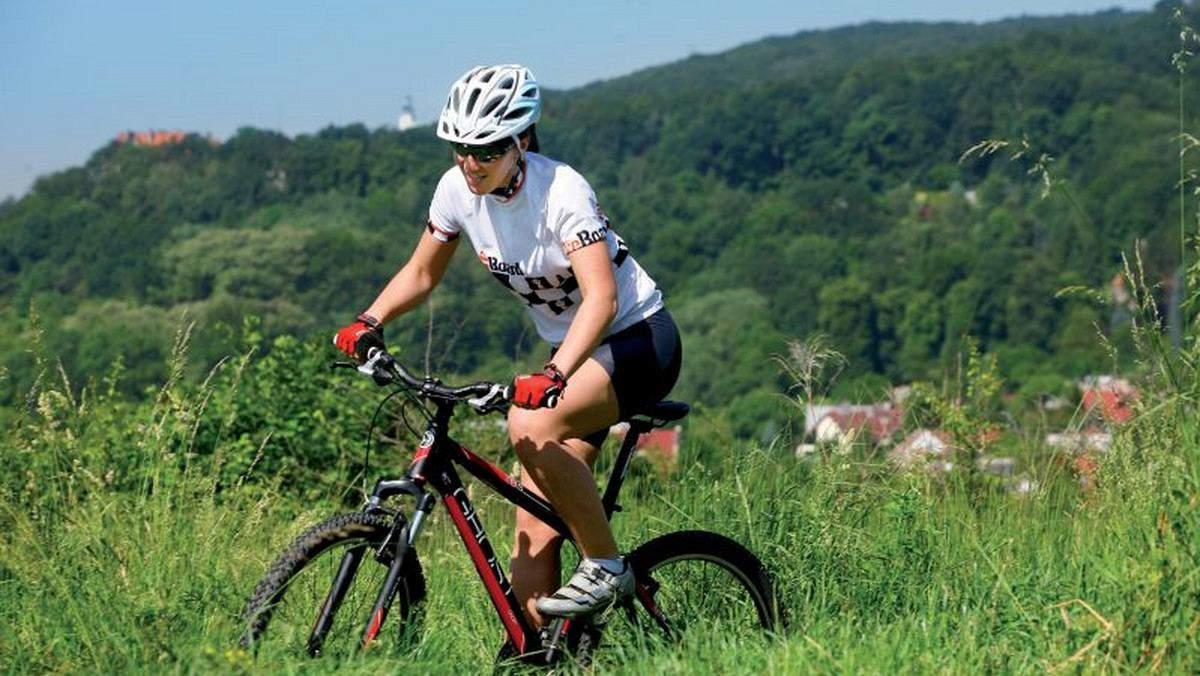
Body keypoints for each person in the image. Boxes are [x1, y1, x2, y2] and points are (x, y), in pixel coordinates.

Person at [333, 64, 681, 626]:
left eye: (487, 151)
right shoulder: (456, 192)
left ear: (520, 141)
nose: (471, 164)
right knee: (530, 530)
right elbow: (422, 273)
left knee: (527, 425)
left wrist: (555, 375)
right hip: (574, 359)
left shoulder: (561, 191)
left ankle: (606, 564)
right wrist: (370, 318)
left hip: (638, 340)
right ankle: (547, 657)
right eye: (460, 149)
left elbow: (601, 301)